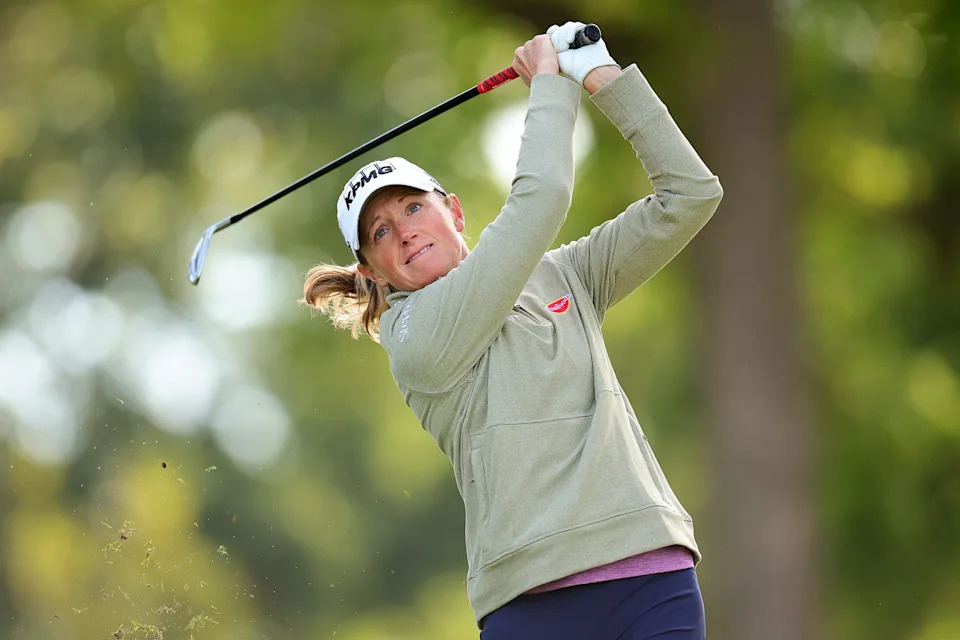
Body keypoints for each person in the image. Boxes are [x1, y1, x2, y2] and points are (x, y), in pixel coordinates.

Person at [303, 21, 722, 640]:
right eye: (382, 231)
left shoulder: (567, 277)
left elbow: (690, 195)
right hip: (532, 607)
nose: (406, 230)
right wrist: (550, 85)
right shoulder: (415, 339)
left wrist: (599, 73)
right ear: (372, 272)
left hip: (650, 578)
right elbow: (542, 197)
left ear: (454, 211)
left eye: (414, 207)